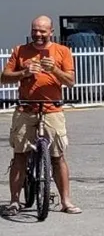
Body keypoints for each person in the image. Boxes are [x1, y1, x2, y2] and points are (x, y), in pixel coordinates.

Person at [2, 16, 80, 216]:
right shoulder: (20, 51)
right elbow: (3, 78)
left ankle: (66, 201)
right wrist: (23, 73)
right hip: (25, 109)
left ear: (51, 32)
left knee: (58, 157)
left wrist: (54, 69)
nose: (38, 34)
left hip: (52, 109)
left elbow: (70, 81)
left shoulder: (62, 51)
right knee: (20, 156)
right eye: (35, 30)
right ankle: (14, 201)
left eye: (42, 31)